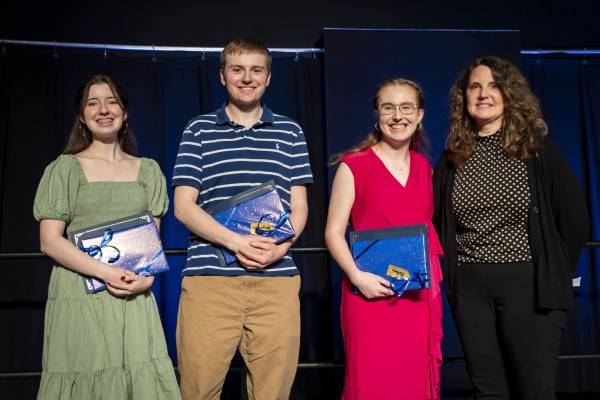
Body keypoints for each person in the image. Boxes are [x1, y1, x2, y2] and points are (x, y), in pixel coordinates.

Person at [433, 56, 591, 399]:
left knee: (533, 389)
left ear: (509, 94)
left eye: (493, 85)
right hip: (471, 287)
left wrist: (554, 272)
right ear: (464, 97)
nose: (483, 93)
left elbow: (576, 220)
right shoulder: (452, 159)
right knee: (488, 389)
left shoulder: (536, 152)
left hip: (528, 283)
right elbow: (437, 222)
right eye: (475, 86)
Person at [172, 37, 313, 400]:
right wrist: (235, 242)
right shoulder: (198, 129)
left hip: (276, 282)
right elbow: (183, 206)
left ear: (268, 78)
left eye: (256, 70)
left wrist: (279, 251)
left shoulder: (291, 132)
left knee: (272, 394)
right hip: (210, 283)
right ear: (222, 76)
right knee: (198, 391)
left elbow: (299, 208)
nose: (246, 78)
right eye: (237, 69)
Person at [33, 75, 181, 399]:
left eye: (112, 101)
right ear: (82, 116)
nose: (103, 109)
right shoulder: (64, 169)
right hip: (80, 296)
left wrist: (147, 281)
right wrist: (107, 272)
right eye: (93, 102)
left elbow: (149, 245)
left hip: (133, 295)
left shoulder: (148, 170)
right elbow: (50, 241)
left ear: (125, 113)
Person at [324, 78, 444, 399]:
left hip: (416, 297)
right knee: (371, 382)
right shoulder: (354, 165)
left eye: (406, 107)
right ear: (376, 115)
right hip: (369, 293)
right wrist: (356, 276)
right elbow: (333, 232)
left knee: (412, 380)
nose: (397, 116)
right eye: (388, 107)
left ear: (420, 115)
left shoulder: (424, 168)